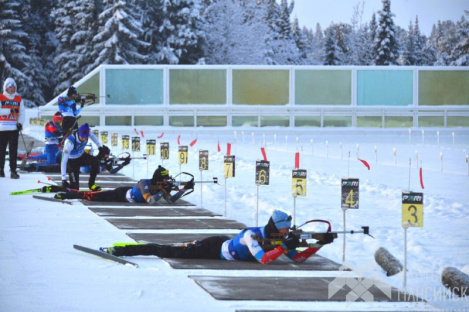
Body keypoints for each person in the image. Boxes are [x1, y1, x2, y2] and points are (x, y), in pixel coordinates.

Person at [100, 210, 335, 265]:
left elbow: (298, 259)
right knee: (165, 249)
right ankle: (119, 249)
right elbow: (264, 259)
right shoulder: (252, 235)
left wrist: (318, 245)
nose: (288, 232)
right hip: (212, 248)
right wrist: (284, 246)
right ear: (277, 227)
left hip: (226, 243)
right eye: (286, 229)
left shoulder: (277, 239)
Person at [54, 165, 194, 204]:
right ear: (158, 178)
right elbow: (150, 201)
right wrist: (163, 192)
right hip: (121, 194)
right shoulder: (144, 183)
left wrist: (183, 190)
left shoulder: (161, 187)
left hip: (129, 194)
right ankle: (68, 194)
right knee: (92, 196)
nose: (166, 182)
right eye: (164, 179)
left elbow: (170, 201)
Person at [61, 123, 107, 191]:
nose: (84, 139)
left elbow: (93, 137)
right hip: (72, 161)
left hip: (82, 156)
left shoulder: (87, 133)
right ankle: (63, 187)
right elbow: (63, 161)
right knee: (75, 189)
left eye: (86, 137)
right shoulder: (69, 142)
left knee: (95, 162)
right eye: (82, 137)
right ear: (79, 133)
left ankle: (91, 184)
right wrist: (63, 179)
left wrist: (99, 147)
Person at [0, 78, 25, 179]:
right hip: (2, 128)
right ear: (6, 88)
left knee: (13, 151)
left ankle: (13, 171)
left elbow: (22, 113)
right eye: (10, 87)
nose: (12, 89)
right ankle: (1, 169)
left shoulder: (18, 99)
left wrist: (20, 123)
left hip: (13, 128)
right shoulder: (1, 98)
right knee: (1, 150)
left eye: (13, 87)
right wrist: (10, 111)